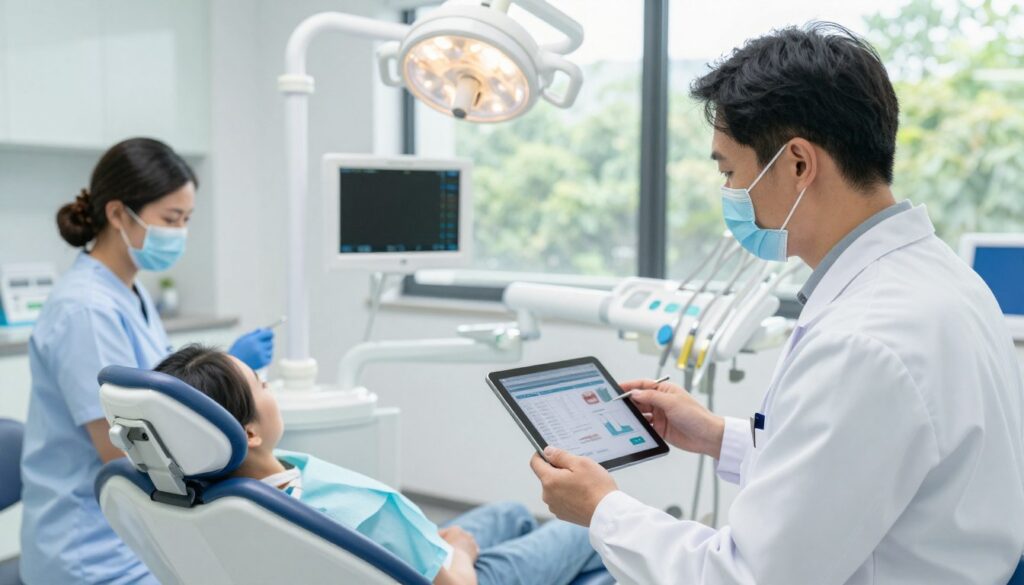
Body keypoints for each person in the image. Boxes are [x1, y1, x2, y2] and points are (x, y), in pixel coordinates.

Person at [528, 22, 1024, 584]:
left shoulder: (864, 341)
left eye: (730, 171)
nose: (729, 194)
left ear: (796, 164)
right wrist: (720, 437)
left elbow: (749, 576)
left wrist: (601, 510)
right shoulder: (940, 279)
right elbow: (863, 468)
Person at [20, 138, 277, 585]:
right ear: (118, 213)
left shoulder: (129, 294)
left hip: (136, 532)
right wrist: (230, 380)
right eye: (170, 219)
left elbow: (156, 397)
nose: (179, 232)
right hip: (89, 551)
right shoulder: (85, 310)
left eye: (186, 220)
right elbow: (121, 450)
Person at [153, 344, 606, 585]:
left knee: (509, 512)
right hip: (459, 578)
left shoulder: (208, 494)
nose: (271, 388)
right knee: (595, 530)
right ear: (248, 433)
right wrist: (461, 552)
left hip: (422, 554)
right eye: (263, 384)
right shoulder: (355, 510)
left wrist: (427, 540)